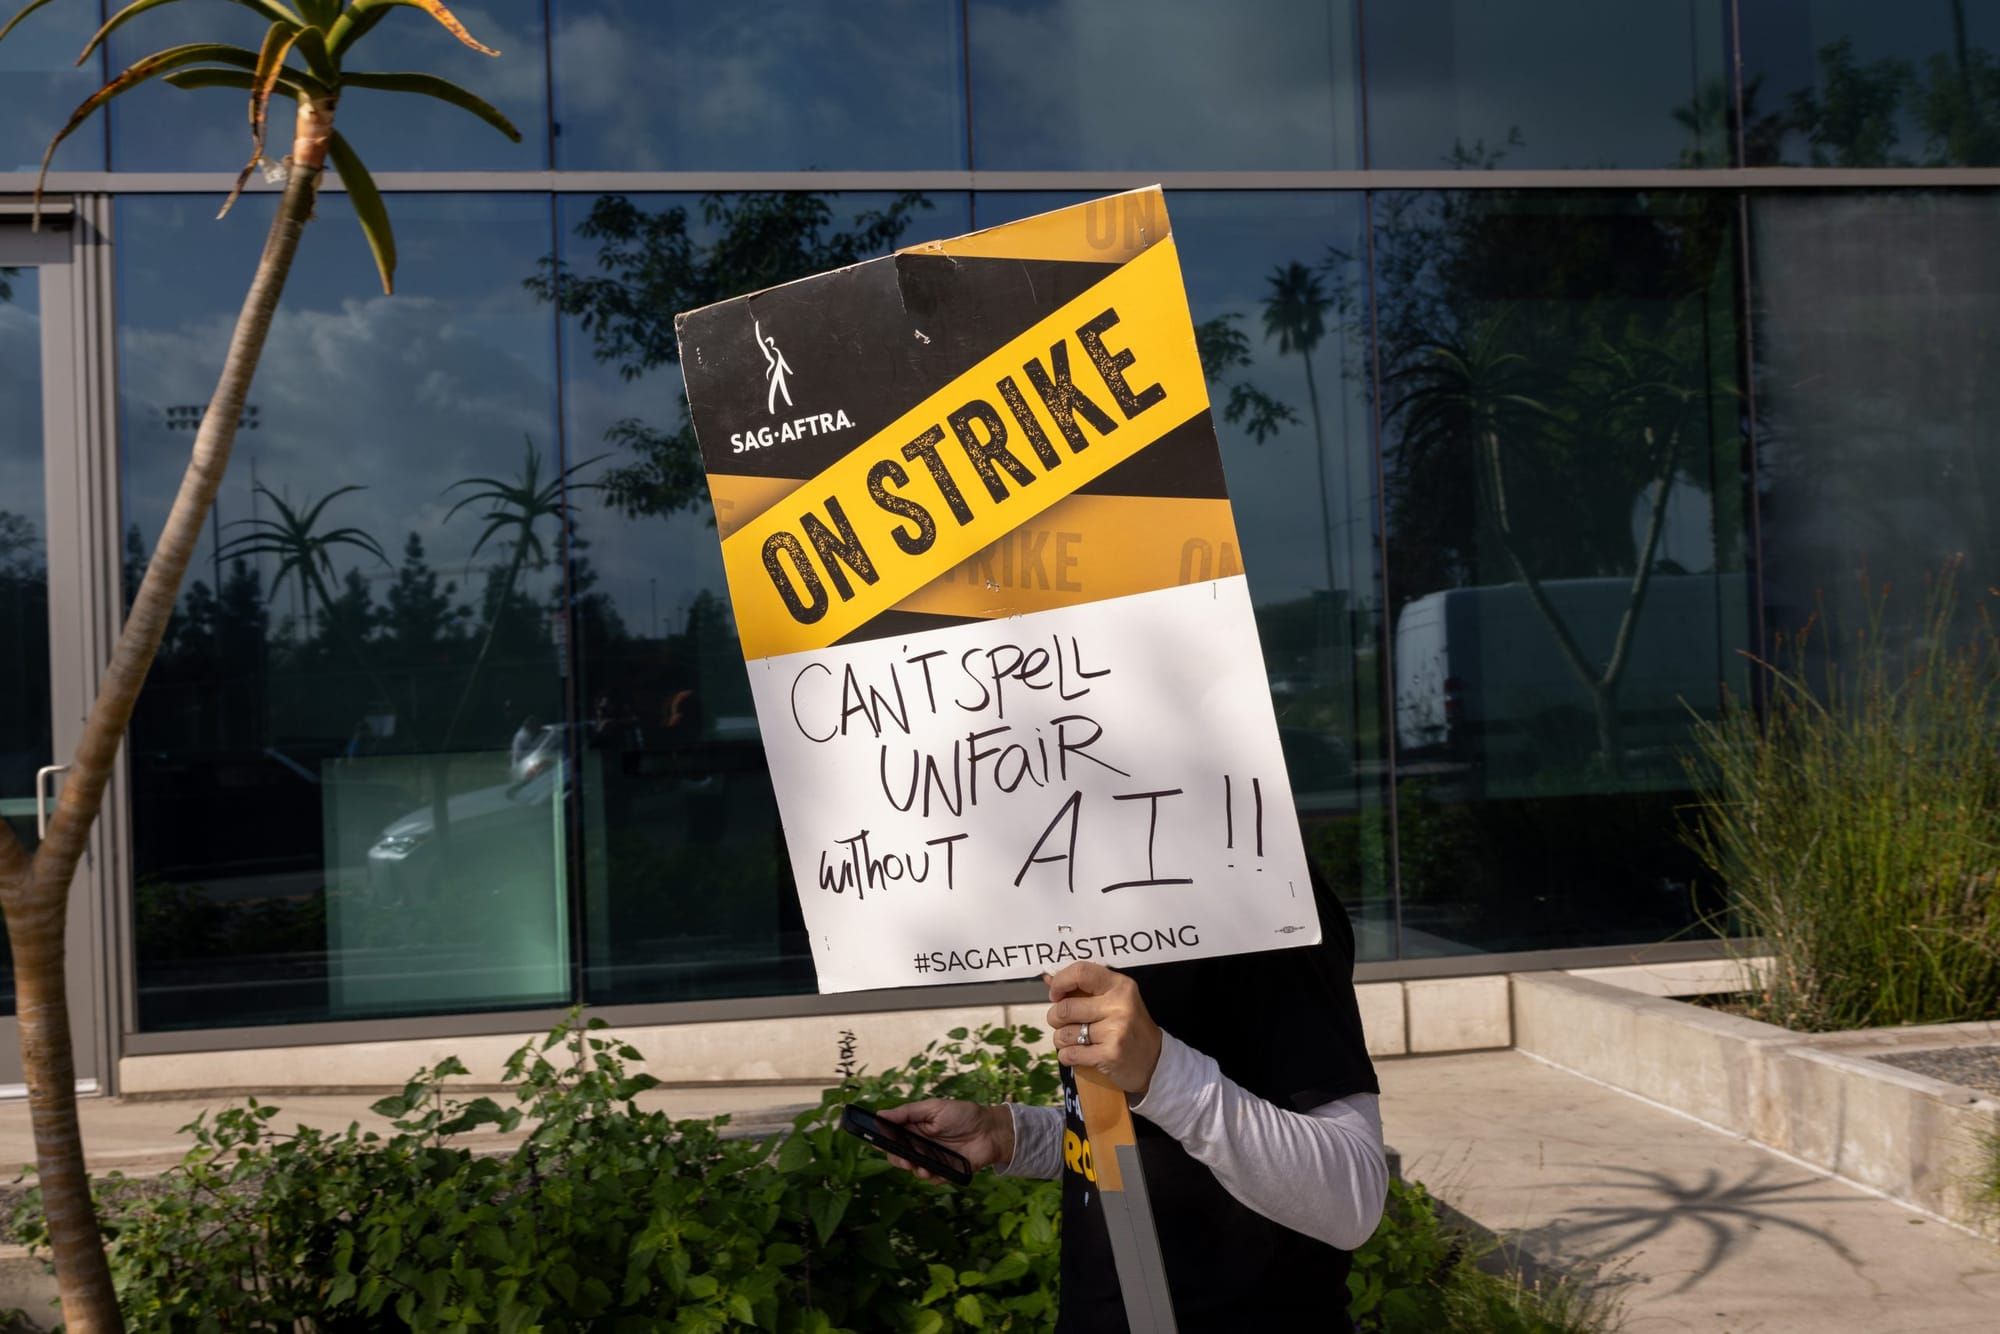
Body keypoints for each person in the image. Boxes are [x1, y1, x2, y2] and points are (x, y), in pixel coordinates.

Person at [879, 865, 1385, 1330]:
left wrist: (1160, 1070)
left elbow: (1353, 1198)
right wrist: (1010, 1135)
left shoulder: (1266, 888)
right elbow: (1154, 1139)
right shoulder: (1097, 911)